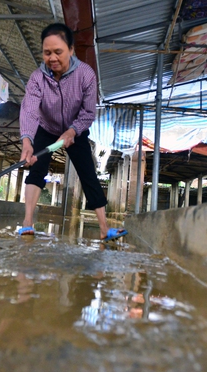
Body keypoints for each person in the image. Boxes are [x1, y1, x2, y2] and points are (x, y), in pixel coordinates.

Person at [18, 22, 127, 241]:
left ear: (71, 50)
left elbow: (88, 112)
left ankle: (105, 229)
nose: (52, 58)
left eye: (58, 52)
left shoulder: (86, 75)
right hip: (46, 128)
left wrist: (72, 131)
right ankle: (27, 223)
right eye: (47, 53)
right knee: (36, 171)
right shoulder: (37, 78)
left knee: (88, 174)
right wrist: (27, 141)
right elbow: (29, 110)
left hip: (75, 130)